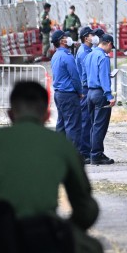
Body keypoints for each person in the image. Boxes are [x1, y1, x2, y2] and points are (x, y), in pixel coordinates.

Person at [0, 80, 108, 253]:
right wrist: (70, 227)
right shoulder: (60, 144)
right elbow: (85, 207)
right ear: (47, 114)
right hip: (46, 241)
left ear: (11, 114)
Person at [50, 29, 84, 155]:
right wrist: (80, 91)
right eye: (65, 37)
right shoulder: (67, 56)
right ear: (61, 41)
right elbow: (75, 77)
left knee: (62, 124)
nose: (68, 38)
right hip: (69, 94)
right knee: (73, 125)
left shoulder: (55, 55)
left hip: (59, 94)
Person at [85, 33, 116, 165]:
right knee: (99, 126)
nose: (111, 50)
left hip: (90, 92)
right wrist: (109, 96)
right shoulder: (103, 57)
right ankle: (96, 154)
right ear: (108, 43)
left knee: (93, 125)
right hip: (100, 94)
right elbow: (104, 78)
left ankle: (94, 152)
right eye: (111, 47)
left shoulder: (89, 55)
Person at [74, 27, 99, 161]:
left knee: (89, 120)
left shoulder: (88, 50)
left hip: (88, 87)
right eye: (91, 35)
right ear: (85, 37)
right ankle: (84, 151)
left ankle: (88, 149)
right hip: (86, 88)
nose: (94, 37)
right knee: (86, 120)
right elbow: (86, 74)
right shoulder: (84, 52)